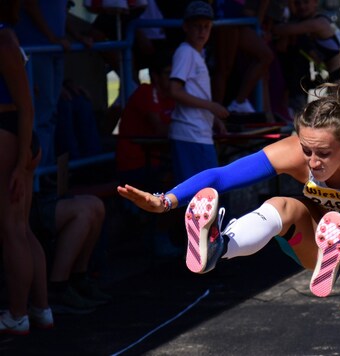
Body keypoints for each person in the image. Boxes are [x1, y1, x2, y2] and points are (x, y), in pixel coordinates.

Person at [118, 49, 340, 301]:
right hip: (312, 250)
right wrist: (166, 200)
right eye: (307, 150)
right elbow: (222, 175)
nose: (312, 161)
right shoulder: (296, 150)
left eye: (323, 153)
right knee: (282, 204)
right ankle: (218, 248)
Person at [0, 0, 53, 334]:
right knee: (21, 228)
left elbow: (26, 105)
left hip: (10, 135)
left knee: (12, 230)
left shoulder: (4, 40)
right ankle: (40, 309)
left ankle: (18, 315)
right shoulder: (8, 38)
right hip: (16, 136)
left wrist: (20, 165)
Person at [168, 1, 229, 184]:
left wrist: (213, 118)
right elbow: (174, 90)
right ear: (186, 27)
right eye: (197, 27)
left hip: (198, 132)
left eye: (206, 27)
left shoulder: (196, 54)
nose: (202, 32)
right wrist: (211, 106)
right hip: (190, 133)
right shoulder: (185, 52)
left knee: (206, 193)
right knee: (201, 196)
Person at [30, 192, 110, 314]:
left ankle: (78, 278)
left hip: (36, 198)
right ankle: (58, 288)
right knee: (82, 212)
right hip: (21, 209)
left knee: (97, 205)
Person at [13, 0, 70, 168]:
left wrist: (70, 37)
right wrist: (53, 38)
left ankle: (44, 172)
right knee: (41, 115)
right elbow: (29, 5)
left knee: (49, 114)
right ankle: (37, 175)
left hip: (53, 50)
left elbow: (64, 12)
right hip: (36, 49)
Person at [273, 0, 340, 113]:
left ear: (315, 3)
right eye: (298, 3)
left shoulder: (317, 23)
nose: (302, 6)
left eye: (306, 2)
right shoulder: (320, 20)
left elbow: (282, 30)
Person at [116, 54, 174, 188]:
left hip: (157, 161)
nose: (172, 79)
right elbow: (160, 129)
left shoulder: (172, 96)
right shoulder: (146, 91)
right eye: (167, 74)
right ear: (155, 76)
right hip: (135, 165)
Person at [211, 0, 274, 113]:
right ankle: (216, 116)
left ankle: (238, 102)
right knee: (224, 68)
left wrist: (258, 21)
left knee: (265, 55)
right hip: (226, 12)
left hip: (239, 14)